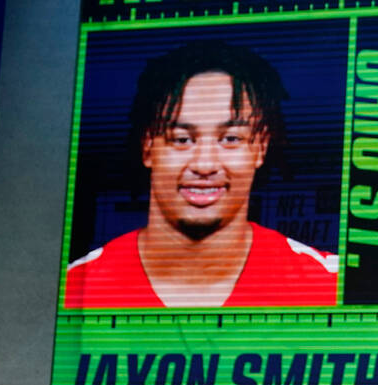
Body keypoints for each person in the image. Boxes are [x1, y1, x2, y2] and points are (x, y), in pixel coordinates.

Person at [65, 40, 338, 308]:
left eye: (230, 138)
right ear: (148, 146)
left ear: (261, 147)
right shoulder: (73, 290)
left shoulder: (328, 287)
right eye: (182, 139)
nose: (205, 164)